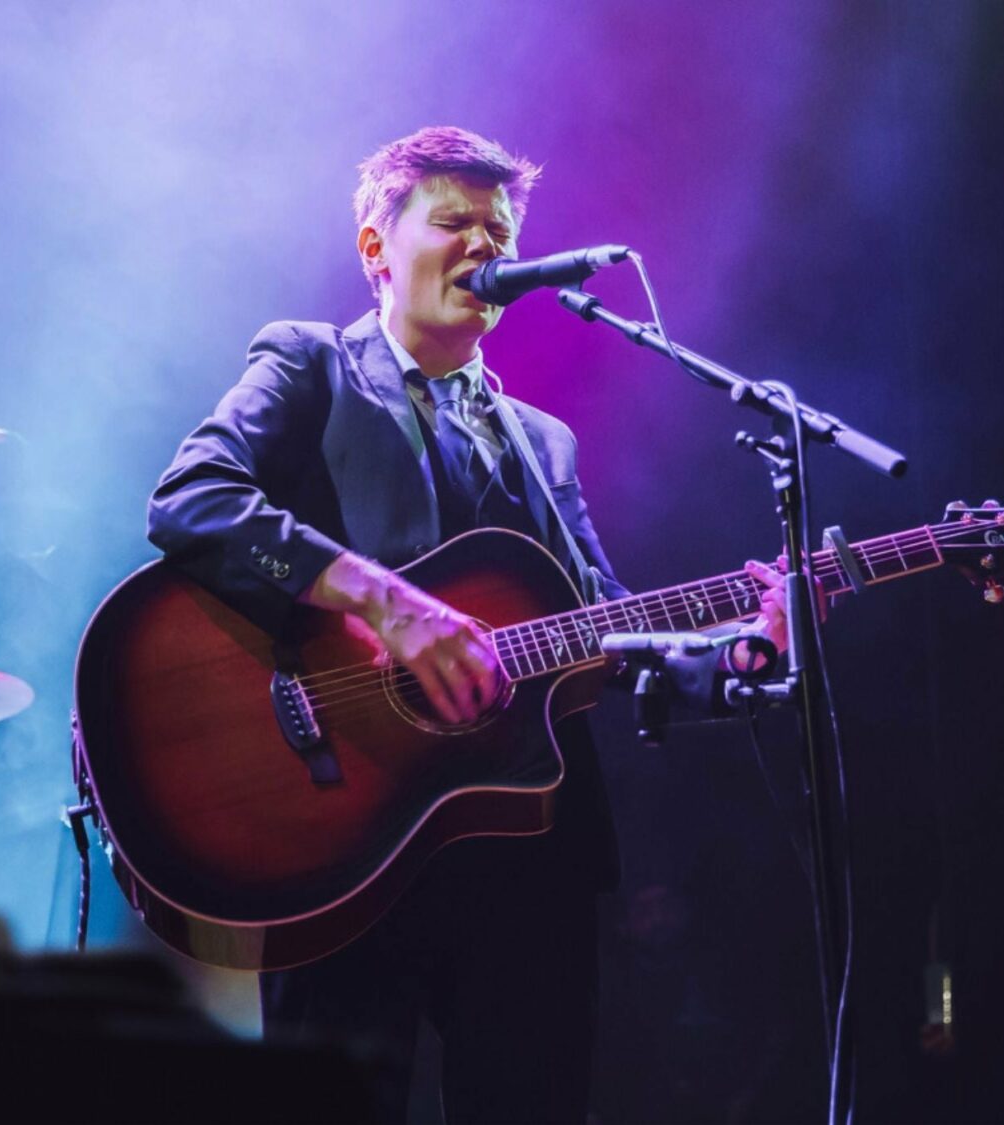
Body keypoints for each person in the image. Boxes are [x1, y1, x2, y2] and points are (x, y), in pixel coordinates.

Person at [147, 125, 790, 1123]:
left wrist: (740, 647)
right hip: (341, 836)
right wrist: (384, 603)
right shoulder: (308, 366)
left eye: (497, 230)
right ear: (376, 249)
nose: (483, 247)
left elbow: (607, 636)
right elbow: (192, 500)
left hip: (526, 857)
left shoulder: (546, 443)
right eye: (452, 223)